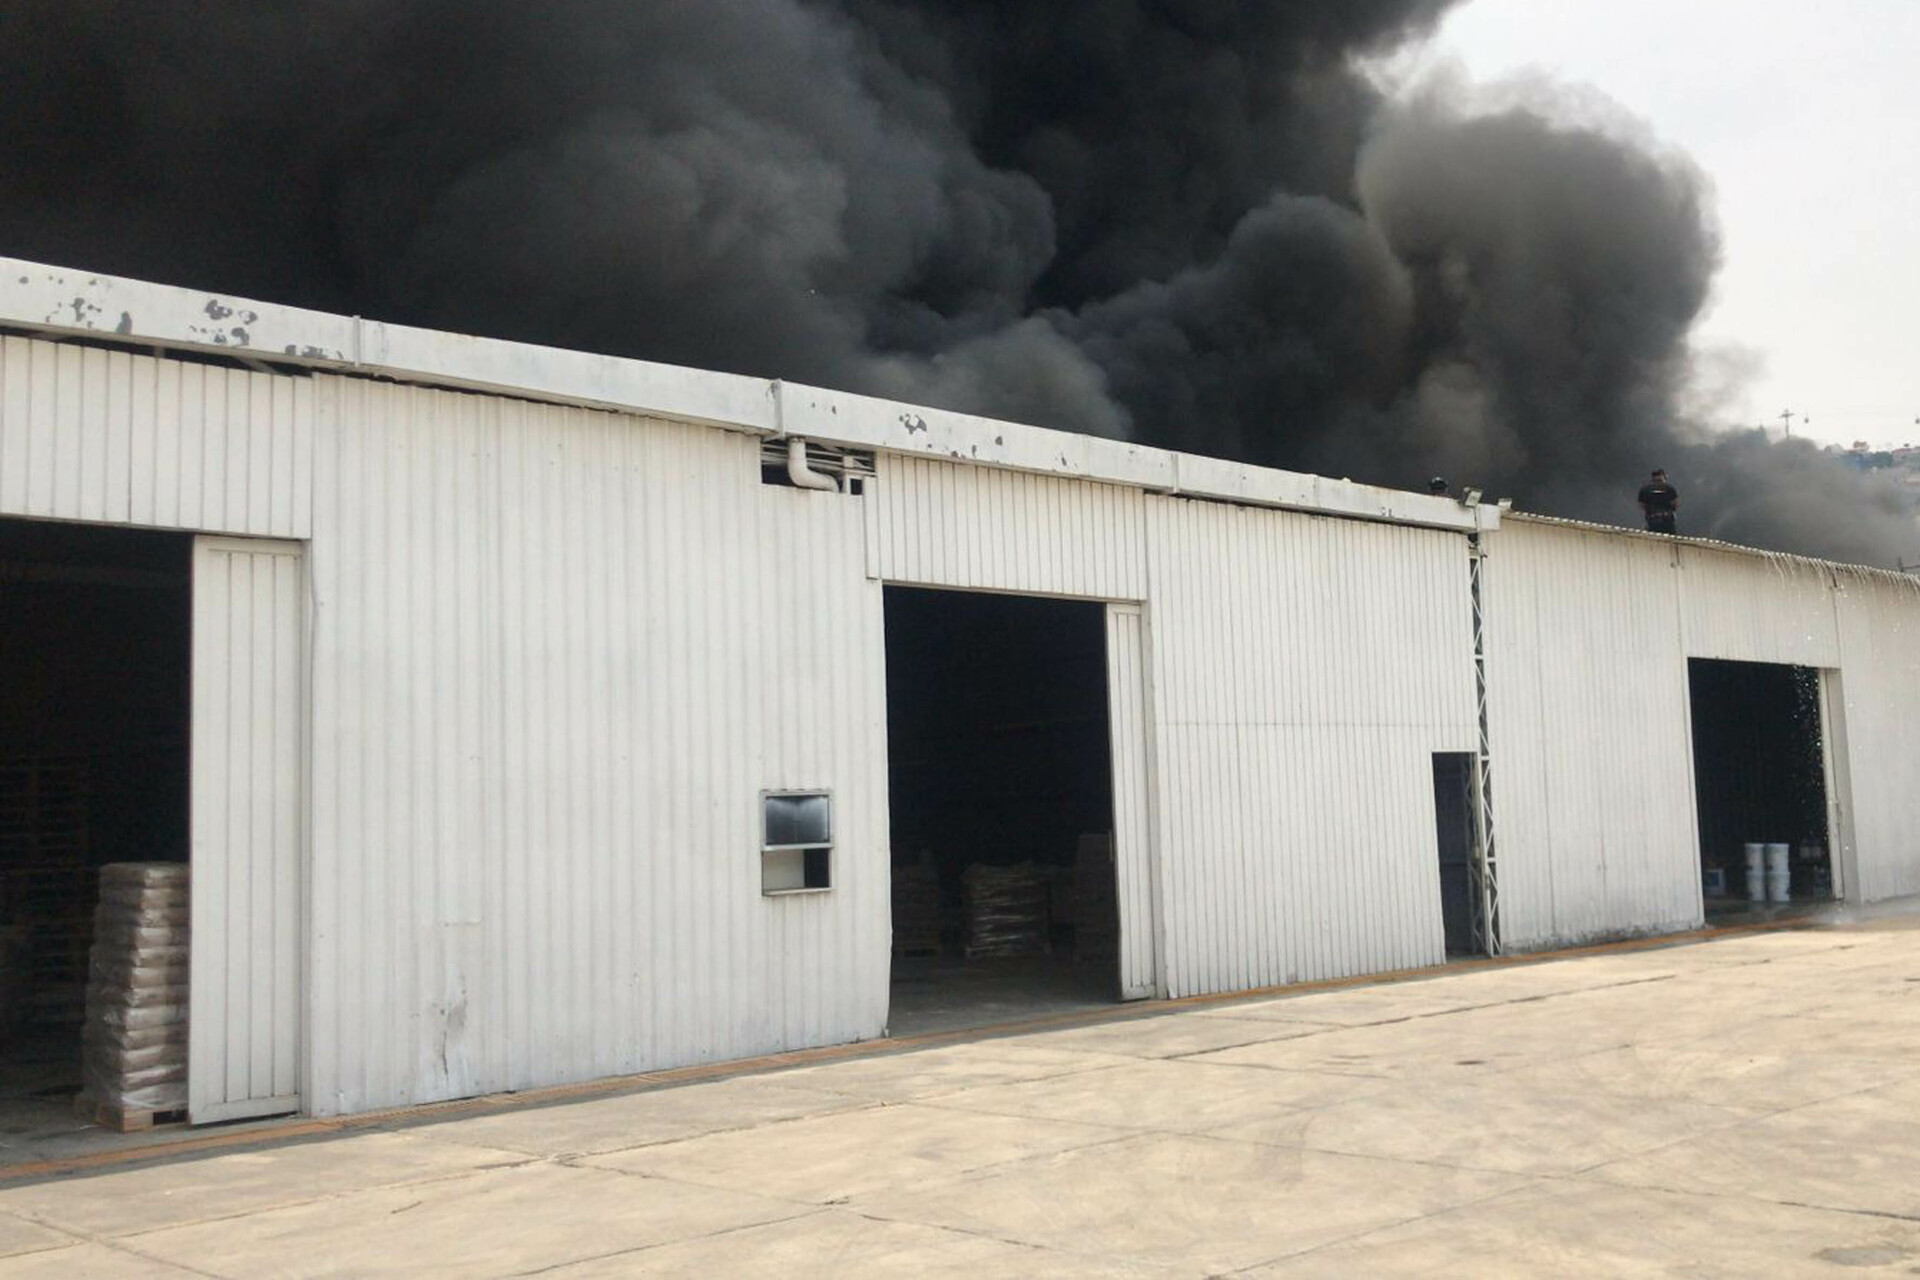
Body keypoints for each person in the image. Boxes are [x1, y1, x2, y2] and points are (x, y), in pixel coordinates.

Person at [1638, 468, 1679, 534]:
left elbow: (1641, 505)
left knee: (1652, 537)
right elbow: (1675, 504)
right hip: (1667, 521)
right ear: (1664, 477)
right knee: (1670, 538)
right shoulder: (1669, 489)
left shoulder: (1645, 489)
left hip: (1652, 520)